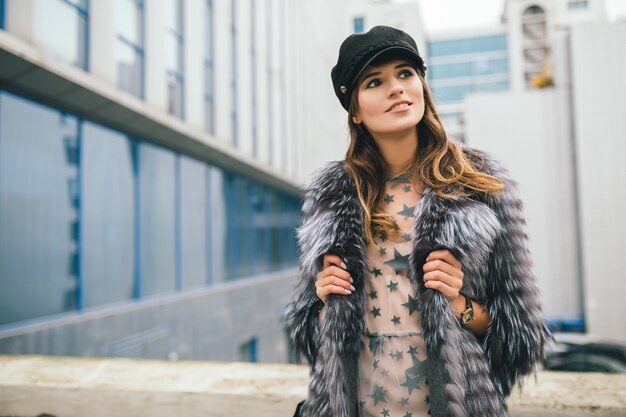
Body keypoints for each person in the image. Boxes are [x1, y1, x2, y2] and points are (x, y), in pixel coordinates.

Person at [283, 25, 550, 417]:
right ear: (354, 110)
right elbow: (307, 334)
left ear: (422, 85)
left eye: (406, 73)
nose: (396, 88)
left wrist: (458, 303)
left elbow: (520, 336)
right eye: (375, 81)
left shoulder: (480, 184)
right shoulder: (332, 194)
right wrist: (325, 305)